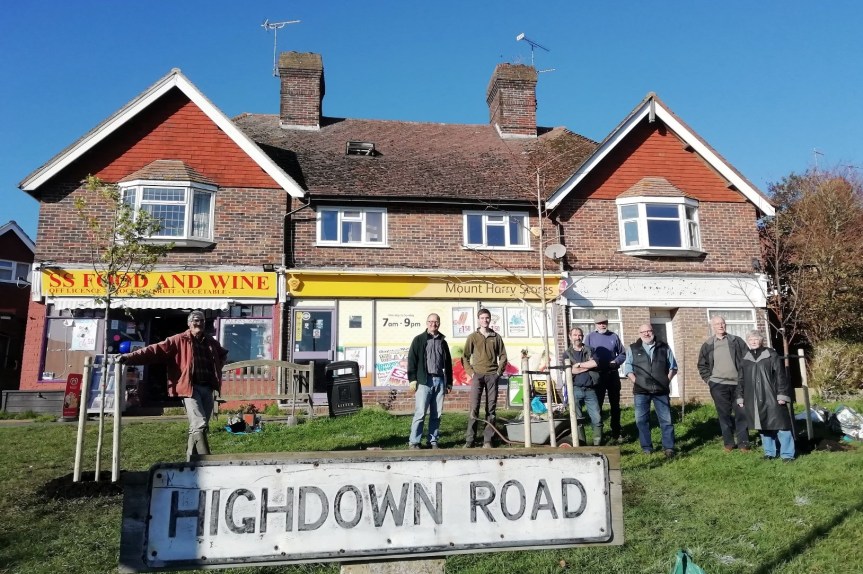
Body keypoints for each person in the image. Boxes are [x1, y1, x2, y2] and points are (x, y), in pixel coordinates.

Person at [119, 310, 228, 460]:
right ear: (189, 323)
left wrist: (218, 367)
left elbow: (222, 354)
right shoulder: (178, 340)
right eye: (196, 320)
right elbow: (154, 350)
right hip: (189, 388)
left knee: (198, 428)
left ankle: (192, 461)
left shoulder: (210, 341)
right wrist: (128, 357)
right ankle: (207, 460)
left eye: (202, 321)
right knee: (199, 424)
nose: (199, 323)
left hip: (207, 387)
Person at [737, 330, 795, 461]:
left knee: (782, 425)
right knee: (762, 426)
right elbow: (740, 379)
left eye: (756, 339)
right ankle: (769, 453)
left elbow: (780, 375)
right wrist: (740, 397)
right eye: (751, 339)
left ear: (761, 340)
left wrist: (781, 395)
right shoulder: (745, 358)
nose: (753, 341)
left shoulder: (771, 354)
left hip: (772, 396)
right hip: (753, 397)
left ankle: (787, 454)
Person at [624, 323, 678, 458]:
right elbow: (628, 369)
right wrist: (636, 381)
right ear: (639, 334)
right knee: (641, 420)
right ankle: (647, 447)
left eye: (649, 331)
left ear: (653, 332)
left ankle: (669, 447)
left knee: (666, 420)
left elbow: (673, 367)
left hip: (661, 390)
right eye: (643, 332)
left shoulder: (664, 347)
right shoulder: (633, 348)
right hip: (641, 391)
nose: (646, 334)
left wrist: (666, 380)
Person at [697, 315, 751, 452]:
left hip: (738, 384)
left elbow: (748, 360)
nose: (721, 326)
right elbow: (702, 365)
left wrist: (745, 379)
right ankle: (729, 443)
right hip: (718, 385)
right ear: (712, 327)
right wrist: (709, 381)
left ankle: (744, 443)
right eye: (717, 324)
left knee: (741, 413)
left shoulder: (736, 341)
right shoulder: (708, 345)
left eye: (722, 323)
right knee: (724, 414)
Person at [462, 308, 508, 448]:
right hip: (477, 375)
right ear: (478, 320)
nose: (485, 320)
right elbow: (465, 356)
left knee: (491, 408)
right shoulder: (473, 337)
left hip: (492, 376)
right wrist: (471, 373)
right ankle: (470, 440)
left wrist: (498, 373)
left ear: (490, 319)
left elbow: (503, 356)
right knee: (474, 407)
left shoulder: (496, 337)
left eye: (487, 318)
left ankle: (488, 440)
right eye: (482, 318)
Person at [407, 313, 454, 449]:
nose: (433, 324)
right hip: (424, 381)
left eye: (436, 322)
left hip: (439, 381)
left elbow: (448, 364)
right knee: (420, 412)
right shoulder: (419, 340)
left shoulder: (443, 342)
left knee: (436, 414)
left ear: (439, 323)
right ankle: (414, 441)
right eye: (431, 321)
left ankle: (432, 441)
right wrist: (412, 379)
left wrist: (449, 382)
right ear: (426, 323)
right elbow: (412, 360)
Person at [584, 314, 627, 443]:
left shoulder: (614, 336)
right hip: (598, 375)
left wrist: (616, 361)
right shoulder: (590, 337)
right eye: (599, 323)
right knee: (598, 406)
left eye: (604, 322)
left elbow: (623, 354)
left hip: (612, 374)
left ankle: (616, 432)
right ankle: (599, 433)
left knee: (615, 405)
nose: (602, 325)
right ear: (595, 325)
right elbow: (585, 354)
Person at [564, 327, 602, 446]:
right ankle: (581, 444)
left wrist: (579, 365)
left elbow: (595, 363)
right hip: (575, 389)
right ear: (570, 337)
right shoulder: (566, 353)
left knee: (597, 418)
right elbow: (569, 371)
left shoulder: (590, 350)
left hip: (590, 389)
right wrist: (586, 367)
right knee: (577, 419)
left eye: (579, 335)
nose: (577, 337)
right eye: (575, 335)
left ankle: (597, 444)